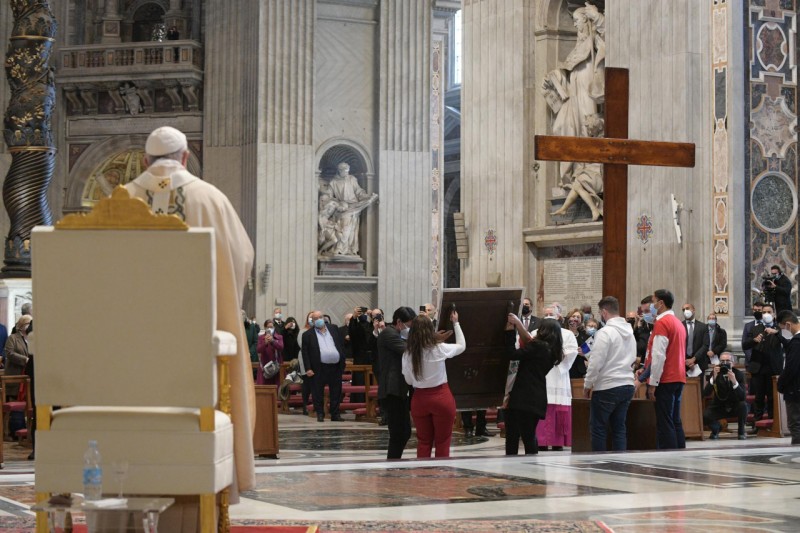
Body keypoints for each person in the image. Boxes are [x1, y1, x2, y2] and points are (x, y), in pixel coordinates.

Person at [125, 126, 257, 495]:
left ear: (144, 161)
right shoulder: (210, 198)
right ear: (185, 157)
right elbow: (242, 257)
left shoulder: (122, 199)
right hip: (201, 349)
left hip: (135, 351)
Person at [402, 310, 464, 458]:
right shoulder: (438, 348)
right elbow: (462, 346)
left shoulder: (408, 353)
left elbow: (408, 381)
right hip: (441, 397)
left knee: (423, 441)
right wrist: (456, 323)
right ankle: (441, 472)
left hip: (419, 400)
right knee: (442, 441)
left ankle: (422, 472)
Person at [503, 317, 564, 455]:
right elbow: (529, 341)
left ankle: (511, 464)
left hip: (523, 396)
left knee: (513, 435)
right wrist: (519, 324)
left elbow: (512, 354)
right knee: (529, 436)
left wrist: (510, 333)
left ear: (544, 330)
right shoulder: (552, 350)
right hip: (537, 397)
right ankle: (532, 465)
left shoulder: (539, 346)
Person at [583, 296, 636, 451]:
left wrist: (587, 384)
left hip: (608, 385)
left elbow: (595, 362)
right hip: (627, 384)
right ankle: (620, 461)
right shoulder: (630, 333)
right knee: (619, 428)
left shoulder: (605, 333)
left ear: (604, 312)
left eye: (600, 313)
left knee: (598, 428)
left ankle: (600, 462)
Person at [639, 289, 687, 450]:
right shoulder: (678, 323)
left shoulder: (662, 323)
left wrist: (653, 382)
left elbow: (659, 356)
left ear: (660, 303)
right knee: (675, 420)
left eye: (653, 302)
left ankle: (669, 457)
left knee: (665, 422)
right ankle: (680, 453)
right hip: (679, 376)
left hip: (665, 378)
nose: (652, 306)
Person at [534, 305, 579, 451]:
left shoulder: (567, 334)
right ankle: (541, 441)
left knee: (558, 407)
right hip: (542, 375)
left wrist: (557, 358)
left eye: (551, 314)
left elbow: (572, 352)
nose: (548, 317)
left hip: (558, 374)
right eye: (546, 314)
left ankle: (557, 441)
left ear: (559, 316)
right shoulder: (535, 333)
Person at [377, 307, 416, 459]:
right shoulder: (389, 334)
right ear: (399, 322)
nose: (410, 328)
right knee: (398, 433)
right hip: (391, 389)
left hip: (400, 389)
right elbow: (408, 351)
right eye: (409, 325)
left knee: (405, 431)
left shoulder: (398, 334)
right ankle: (393, 462)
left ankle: (395, 461)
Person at [321, 162, 377, 256]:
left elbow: (359, 192)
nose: (347, 173)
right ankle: (340, 248)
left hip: (354, 206)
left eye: (348, 171)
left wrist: (367, 197)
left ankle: (345, 249)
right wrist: (336, 204)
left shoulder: (352, 179)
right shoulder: (333, 182)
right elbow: (329, 196)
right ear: (340, 171)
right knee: (343, 228)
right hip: (342, 207)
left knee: (350, 229)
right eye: (345, 171)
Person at [302, 310, 347, 422]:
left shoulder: (333, 328)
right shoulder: (307, 334)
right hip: (319, 367)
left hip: (336, 366)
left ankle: (335, 414)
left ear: (323, 318)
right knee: (317, 392)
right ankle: (320, 413)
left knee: (336, 391)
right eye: (316, 318)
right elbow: (305, 353)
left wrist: (342, 359)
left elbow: (340, 345)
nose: (319, 320)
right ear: (312, 321)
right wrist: (308, 368)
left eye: (320, 317)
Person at [742, 303, 784, 421]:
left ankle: (773, 421)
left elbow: (786, 343)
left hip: (773, 367)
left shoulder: (780, 329)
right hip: (758, 367)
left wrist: (776, 333)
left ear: (774, 314)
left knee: (772, 397)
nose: (766, 314)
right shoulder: (755, 328)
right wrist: (754, 340)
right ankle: (757, 422)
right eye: (764, 312)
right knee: (758, 397)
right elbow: (745, 345)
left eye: (769, 312)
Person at [703, 352, 747, 440]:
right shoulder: (715, 373)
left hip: (734, 406)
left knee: (743, 405)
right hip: (719, 405)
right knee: (705, 416)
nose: (725, 363)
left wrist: (734, 382)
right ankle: (716, 428)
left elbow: (742, 397)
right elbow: (706, 393)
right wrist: (713, 378)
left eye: (728, 361)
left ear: (733, 363)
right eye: (722, 361)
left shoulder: (739, 374)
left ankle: (741, 431)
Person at [777, 311, 800, 444]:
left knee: (795, 422)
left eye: (784, 328)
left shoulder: (796, 342)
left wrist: (781, 383)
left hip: (795, 389)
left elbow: (791, 367)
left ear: (788, 325)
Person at [3, 314, 32, 400]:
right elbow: (9, 353)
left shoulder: (31, 339)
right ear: (22, 324)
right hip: (15, 376)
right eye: (28, 324)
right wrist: (25, 360)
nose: (30, 326)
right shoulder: (13, 338)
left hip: (27, 376)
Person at [681, 303, 709, 378]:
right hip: (682, 363)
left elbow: (705, 345)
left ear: (693, 310)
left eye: (687, 308)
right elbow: (676, 346)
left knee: (699, 385)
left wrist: (694, 359)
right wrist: (685, 360)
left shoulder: (703, 327)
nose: (685, 311)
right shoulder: (679, 326)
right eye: (683, 310)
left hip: (699, 363)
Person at [256, 319, 284, 386]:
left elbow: (281, 347)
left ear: (274, 327)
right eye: (268, 327)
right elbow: (258, 350)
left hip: (276, 366)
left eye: (271, 327)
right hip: (264, 366)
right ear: (265, 328)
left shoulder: (279, 337)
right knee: (265, 386)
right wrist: (265, 343)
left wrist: (273, 341)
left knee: (277, 386)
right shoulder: (261, 337)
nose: (269, 329)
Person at [565, 308, 590, 379]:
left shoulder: (585, 336)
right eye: (573, 316)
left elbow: (590, 353)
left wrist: (584, 354)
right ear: (568, 319)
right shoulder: (562, 333)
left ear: (581, 321)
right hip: (566, 368)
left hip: (579, 370)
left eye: (578, 317)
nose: (575, 319)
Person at [743, 301, 764, 372]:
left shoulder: (767, 325)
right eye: (755, 310)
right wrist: (751, 358)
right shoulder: (748, 326)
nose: (757, 312)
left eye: (759, 310)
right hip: (751, 362)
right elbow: (744, 343)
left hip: (765, 362)